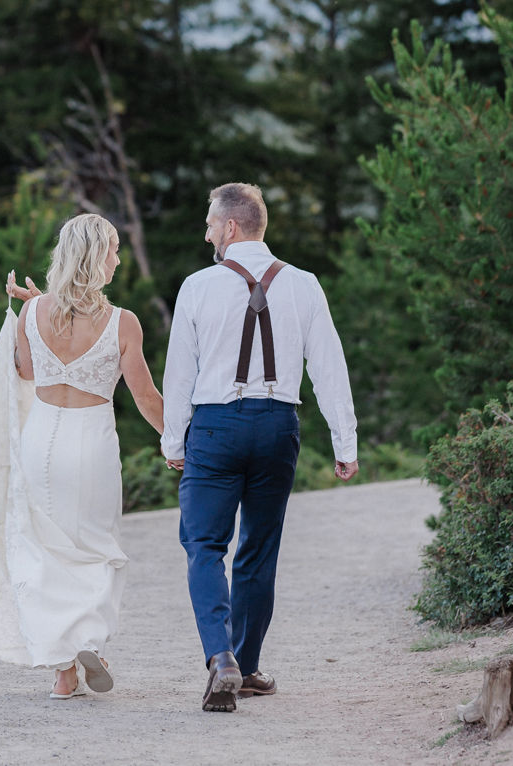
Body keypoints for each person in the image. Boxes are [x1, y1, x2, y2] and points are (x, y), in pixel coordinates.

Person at [161, 182, 358, 712]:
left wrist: (172, 438)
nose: (206, 233)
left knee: (204, 545)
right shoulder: (305, 284)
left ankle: (220, 658)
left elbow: (181, 374)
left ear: (230, 227)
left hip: (216, 428)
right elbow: (329, 366)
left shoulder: (197, 287)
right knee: (258, 549)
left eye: (209, 223)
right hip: (277, 424)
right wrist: (345, 441)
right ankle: (246, 668)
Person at [0, 213, 166, 700]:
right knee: (95, 546)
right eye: (114, 250)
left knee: (41, 548)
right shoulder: (123, 323)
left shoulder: (31, 315)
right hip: (91, 441)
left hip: (42, 441)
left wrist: (36, 312)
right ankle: (89, 639)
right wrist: (179, 440)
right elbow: (144, 396)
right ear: (96, 257)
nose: (118, 259)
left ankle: (62, 670)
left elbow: (28, 372)